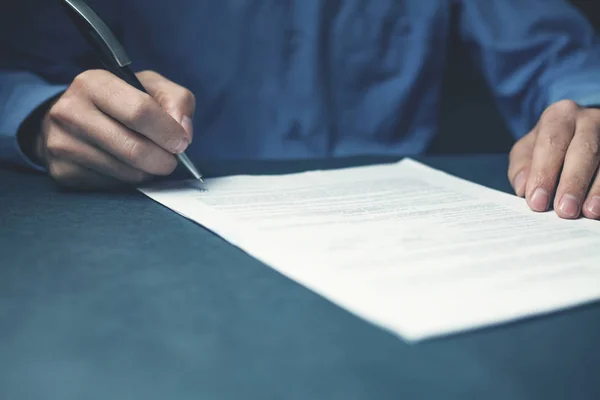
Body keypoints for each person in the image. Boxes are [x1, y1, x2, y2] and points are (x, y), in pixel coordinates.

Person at [1, 0, 600, 220]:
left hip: (401, 219)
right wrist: (39, 116)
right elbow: (16, 70)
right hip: (152, 218)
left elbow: (556, 57)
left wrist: (588, 111)